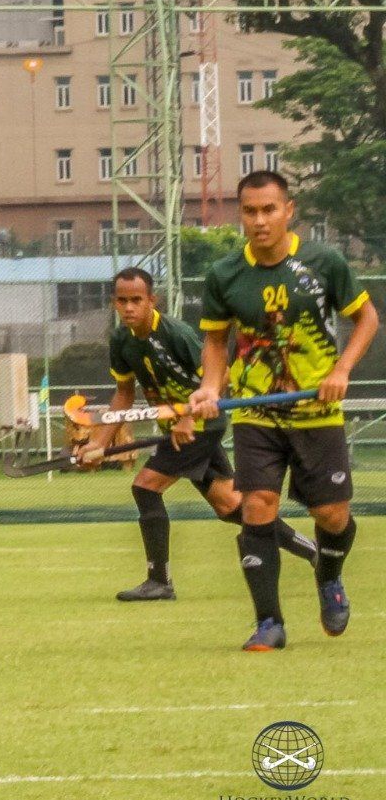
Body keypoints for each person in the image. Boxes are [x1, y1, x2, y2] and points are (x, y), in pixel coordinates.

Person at [188, 170, 378, 651]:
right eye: (250, 211)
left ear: (289, 211)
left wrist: (342, 371)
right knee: (257, 506)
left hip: (316, 411)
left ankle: (328, 575)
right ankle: (269, 622)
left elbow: (366, 318)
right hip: (257, 413)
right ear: (240, 215)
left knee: (331, 515)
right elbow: (215, 341)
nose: (259, 220)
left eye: (269, 209)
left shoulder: (323, 262)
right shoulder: (225, 274)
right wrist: (209, 387)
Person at [76, 268, 316, 602]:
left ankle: (159, 580)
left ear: (151, 300)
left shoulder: (176, 334)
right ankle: (313, 551)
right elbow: (124, 396)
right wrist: (98, 444)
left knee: (145, 487)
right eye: (122, 300)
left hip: (200, 427)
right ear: (114, 303)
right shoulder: (121, 341)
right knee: (231, 507)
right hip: (176, 430)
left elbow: (219, 378)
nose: (129, 307)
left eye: (136, 300)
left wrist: (187, 417)